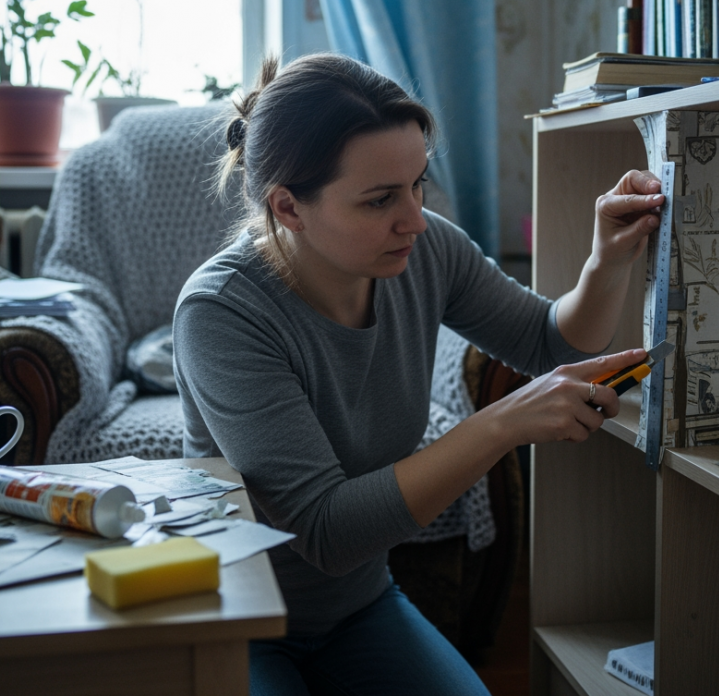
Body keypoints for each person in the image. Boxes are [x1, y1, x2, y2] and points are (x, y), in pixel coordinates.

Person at [173, 53, 663, 696]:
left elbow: (548, 343)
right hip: (236, 622)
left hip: (358, 608)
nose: (413, 217)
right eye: (380, 200)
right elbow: (325, 530)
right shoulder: (222, 313)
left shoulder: (426, 249)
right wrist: (501, 426)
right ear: (288, 207)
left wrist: (605, 261)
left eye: (417, 185)